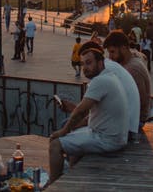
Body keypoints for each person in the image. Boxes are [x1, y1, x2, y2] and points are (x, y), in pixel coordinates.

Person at [48, 42, 130, 184]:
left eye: (89, 63)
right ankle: (71, 178)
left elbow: (81, 111)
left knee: (55, 145)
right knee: (73, 146)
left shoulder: (100, 81)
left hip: (107, 139)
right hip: (114, 136)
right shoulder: (111, 76)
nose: (85, 68)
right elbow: (89, 113)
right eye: (83, 64)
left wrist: (63, 131)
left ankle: (52, 185)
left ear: (100, 62)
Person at [104, 30, 150, 139]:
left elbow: (139, 102)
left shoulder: (132, 70)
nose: (110, 57)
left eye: (112, 52)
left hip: (135, 123)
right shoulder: (131, 58)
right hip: (131, 119)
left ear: (124, 48)